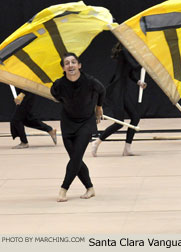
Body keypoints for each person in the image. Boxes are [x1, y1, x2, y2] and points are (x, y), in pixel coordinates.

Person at [50, 52, 105, 202]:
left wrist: (98, 106)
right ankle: (90, 188)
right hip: (68, 123)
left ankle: (63, 189)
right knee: (76, 159)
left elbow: (102, 90)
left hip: (86, 122)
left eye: (73, 62)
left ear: (79, 65)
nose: (70, 65)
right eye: (67, 63)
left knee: (76, 157)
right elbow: (53, 93)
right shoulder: (59, 84)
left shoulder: (90, 81)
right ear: (63, 68)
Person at [91, 42, 146, 157]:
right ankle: (97, 142)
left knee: (135, 117)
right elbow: (136, 66)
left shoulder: (127, 52)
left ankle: (127, 148)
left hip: (122, 89)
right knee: (119, 122)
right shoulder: (124, 51)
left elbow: (130, 72)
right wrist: (146, 60)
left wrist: (138, 82)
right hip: (117, 89)